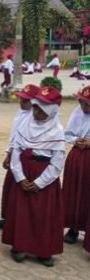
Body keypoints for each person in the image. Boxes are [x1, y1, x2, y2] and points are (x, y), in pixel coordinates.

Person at [2, 86, 65, 266]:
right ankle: (19, 246)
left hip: (44, 179)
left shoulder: (58, 131)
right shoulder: (25, 124)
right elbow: (16, 153)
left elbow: (57, 162)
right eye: (36, 107)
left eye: (41, 108)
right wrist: (20, 177)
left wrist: (39, 182)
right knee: (22, 212)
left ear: (51, 111)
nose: (36, 112)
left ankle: (43, 250)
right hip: (24, 173)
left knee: (43, 215)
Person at [0, 84, 40, 230]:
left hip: (26, 158)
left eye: (25, 101)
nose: (21, 103)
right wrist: (8, 153)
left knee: (21, 192)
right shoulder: (20, 113)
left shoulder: (35, 116)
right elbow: (14, 136)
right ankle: (7, 218)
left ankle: (19, 221)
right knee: (10, 189)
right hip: (15, 155)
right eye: (21, 99)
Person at [61, 86, 90, 243]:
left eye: (88, 105)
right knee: (74, 191)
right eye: (82, 103)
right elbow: (68, 134)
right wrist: (76, 141)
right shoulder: (77, 113)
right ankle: (73, 228)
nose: (85, 108)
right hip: (77, 157)